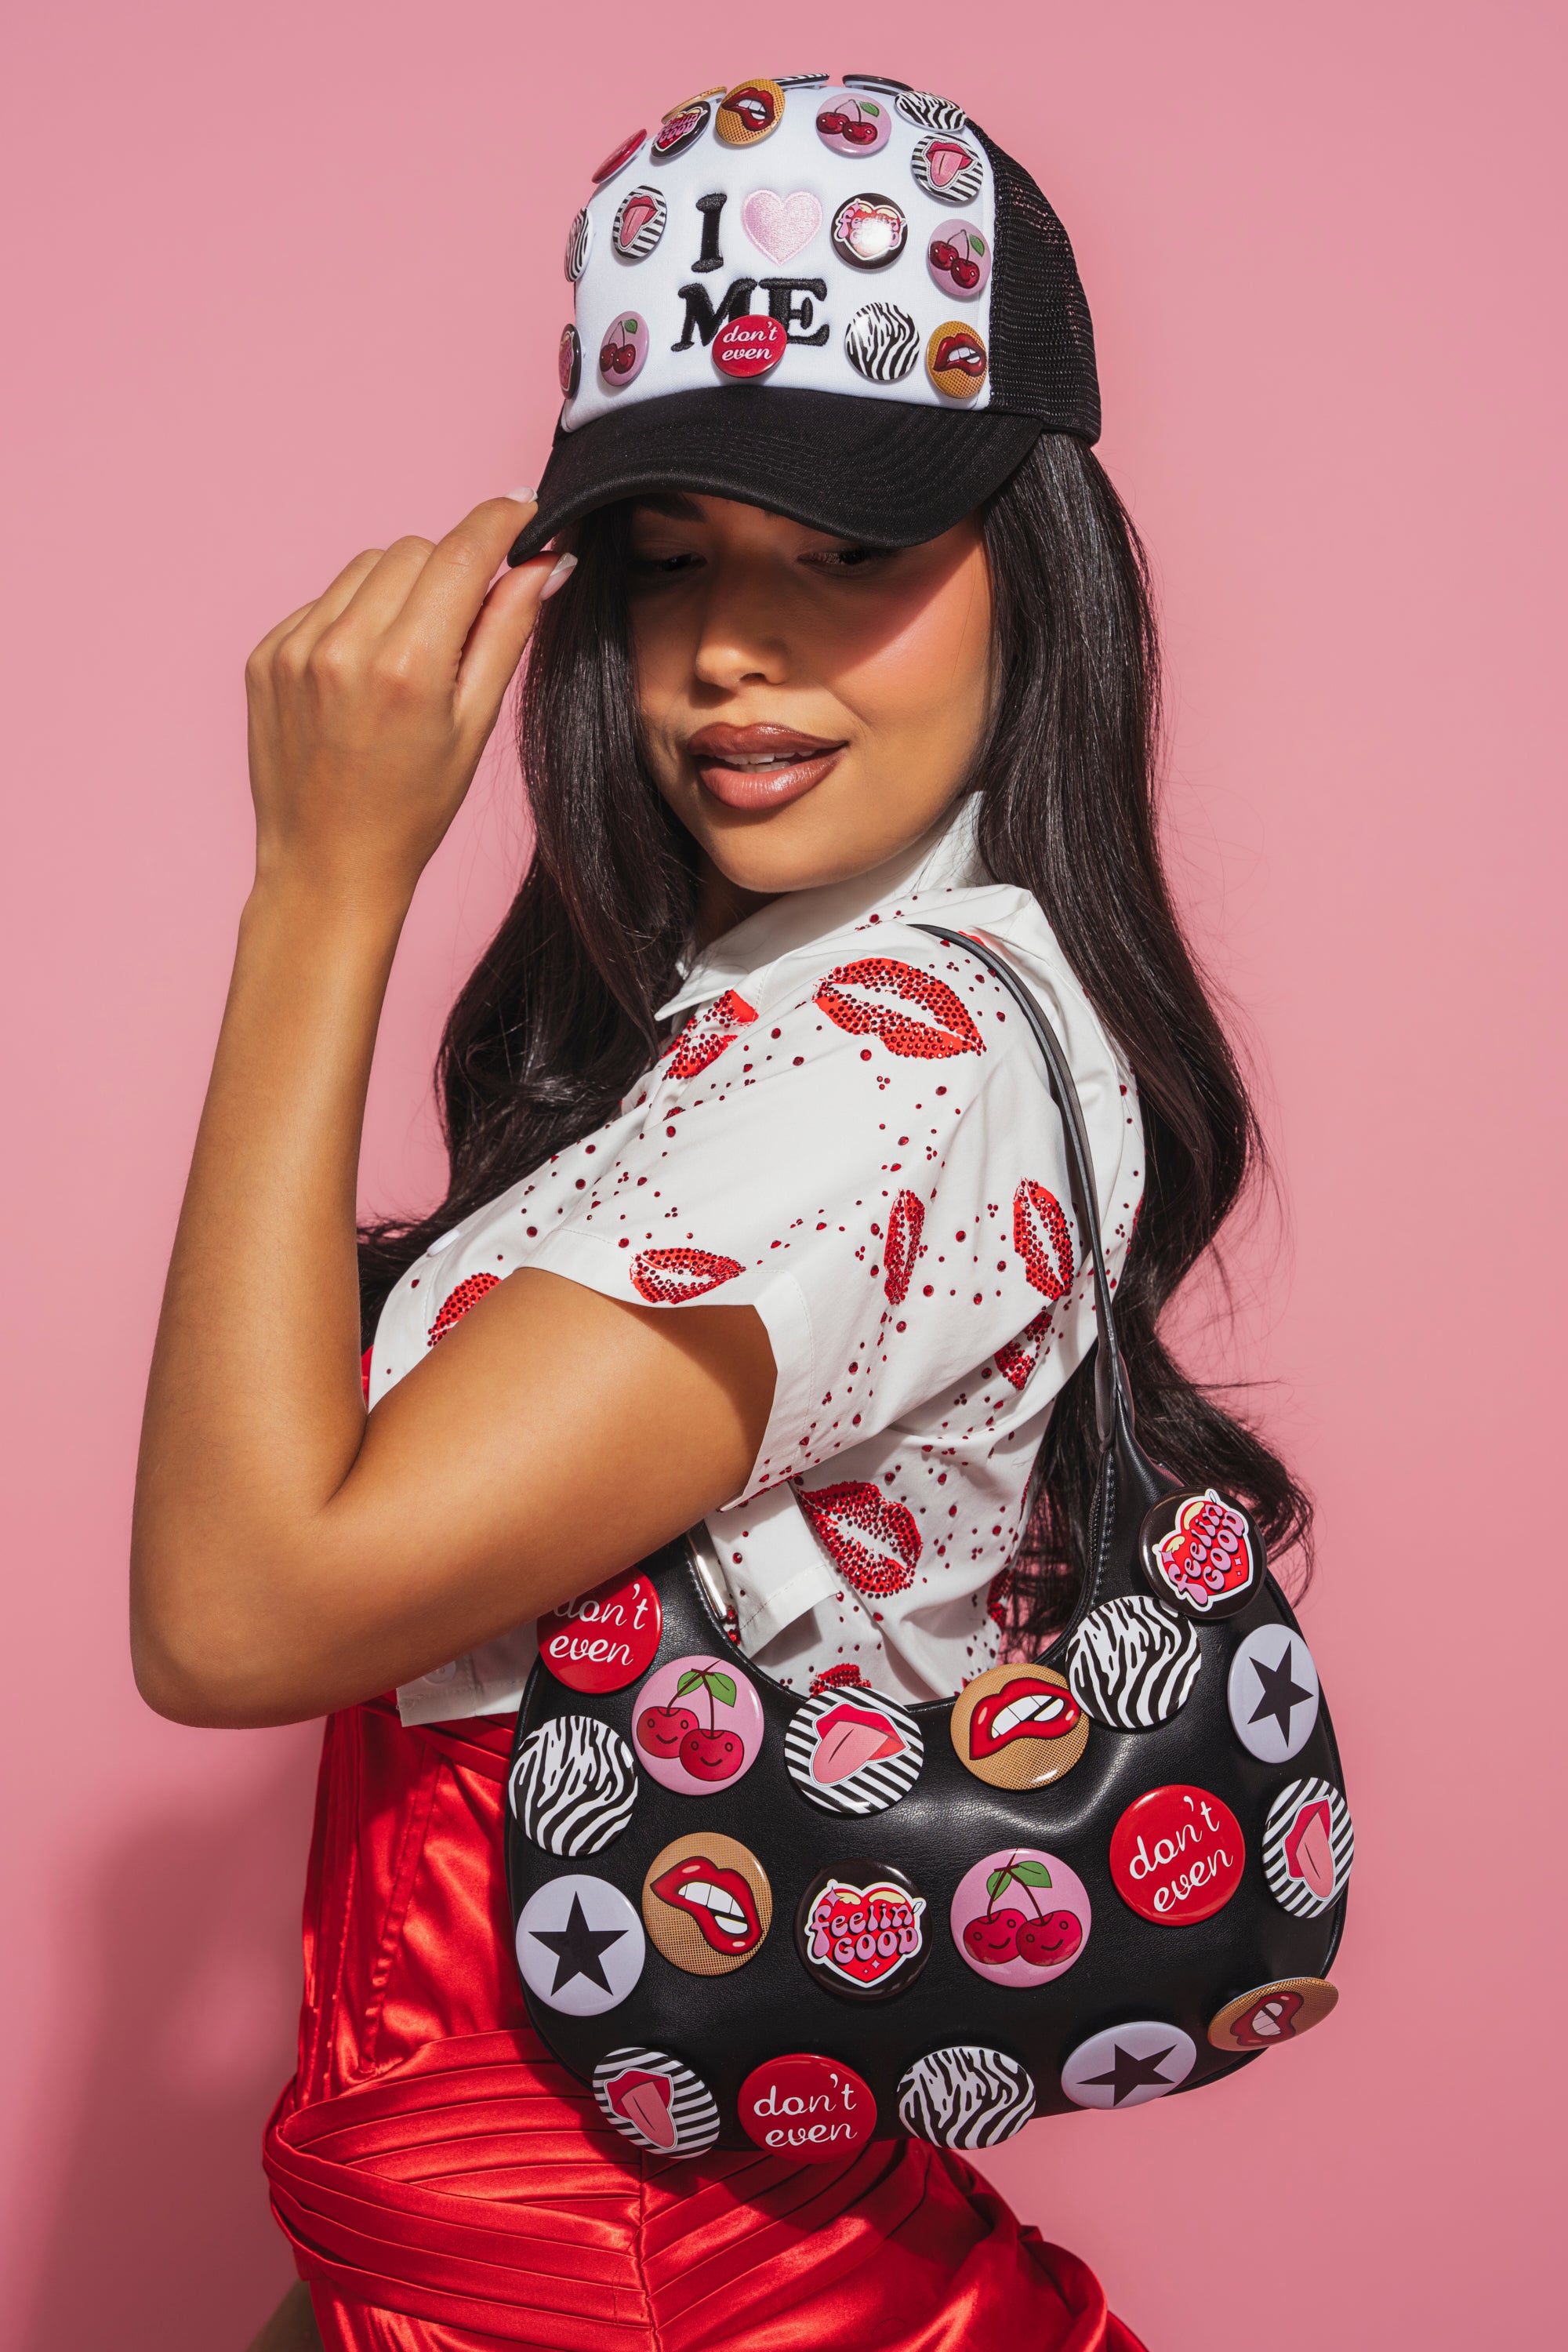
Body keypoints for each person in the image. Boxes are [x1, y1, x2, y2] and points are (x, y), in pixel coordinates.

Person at [133, 73, 1308, 2352]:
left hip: (636, 2276)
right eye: (668, 558)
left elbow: (242, 1613)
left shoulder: (885, 1063)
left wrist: (317, 888)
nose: (729, 651)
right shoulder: (776, 1025)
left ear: (1038, 558)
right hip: (553, 2255)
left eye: (847, 548)